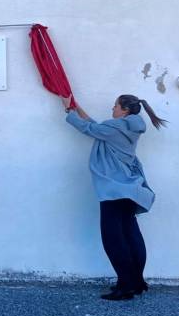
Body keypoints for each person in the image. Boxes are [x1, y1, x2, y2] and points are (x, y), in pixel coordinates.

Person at [63, 94, 167, 301]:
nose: (113, 109)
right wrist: (77, 107)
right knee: (131, 236)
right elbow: (96, 126)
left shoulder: (115, 127)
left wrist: (69, 112)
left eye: (115, 106)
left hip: (113, 191)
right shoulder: (126, 128)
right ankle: (137, 282)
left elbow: (89, 129)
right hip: (129, 190)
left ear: (124, 110)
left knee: (113, 240)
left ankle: (126, 285)